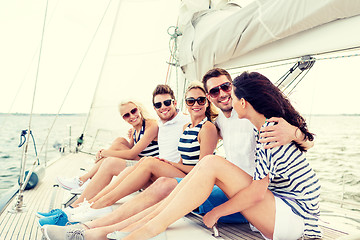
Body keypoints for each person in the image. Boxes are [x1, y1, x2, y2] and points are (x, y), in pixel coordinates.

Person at [41, 69, 314, 239]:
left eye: (225, 87)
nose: (220, 94)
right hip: (249, 195)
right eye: (213, 91)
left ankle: (105, 228)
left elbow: (300, 145)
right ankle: (93, 227)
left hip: (264, 203)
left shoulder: (269, 126)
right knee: (166, 184)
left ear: (238, 93)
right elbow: (202, 132)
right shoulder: (220, 122)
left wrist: (295, 133)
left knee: (173, 186)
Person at [55, 100, 159, 194]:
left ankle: (84, 180)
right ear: (123, 118)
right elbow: (130, 150)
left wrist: (105, 153)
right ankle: (87, 180)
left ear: (139, 109)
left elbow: (131, 154)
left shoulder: (151, 125)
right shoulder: (135, 130)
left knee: (114, 150)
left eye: (133, 111)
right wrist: (130, 138)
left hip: (149, 167)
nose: (132, 116)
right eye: (126, 115)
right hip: (140, 161)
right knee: (119, 141)